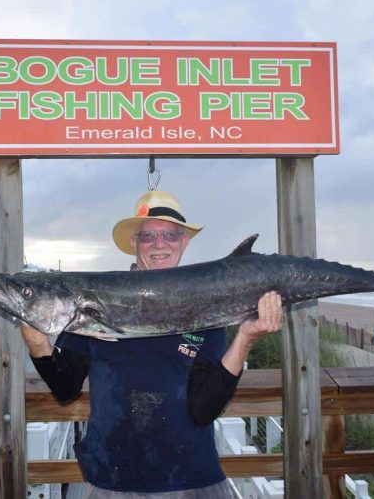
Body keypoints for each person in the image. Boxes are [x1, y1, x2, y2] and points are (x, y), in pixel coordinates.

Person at [21, 190, 282, 498]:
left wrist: (245, 338)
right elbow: (65, 389)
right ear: (134, 244)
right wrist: (38, 344)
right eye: (149, 236)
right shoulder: (96, 298)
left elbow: (204, 409)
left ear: (184, 242)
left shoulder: (206, 303)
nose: (160, 244)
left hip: (193, 479)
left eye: (171, 235)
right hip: (110, 479)